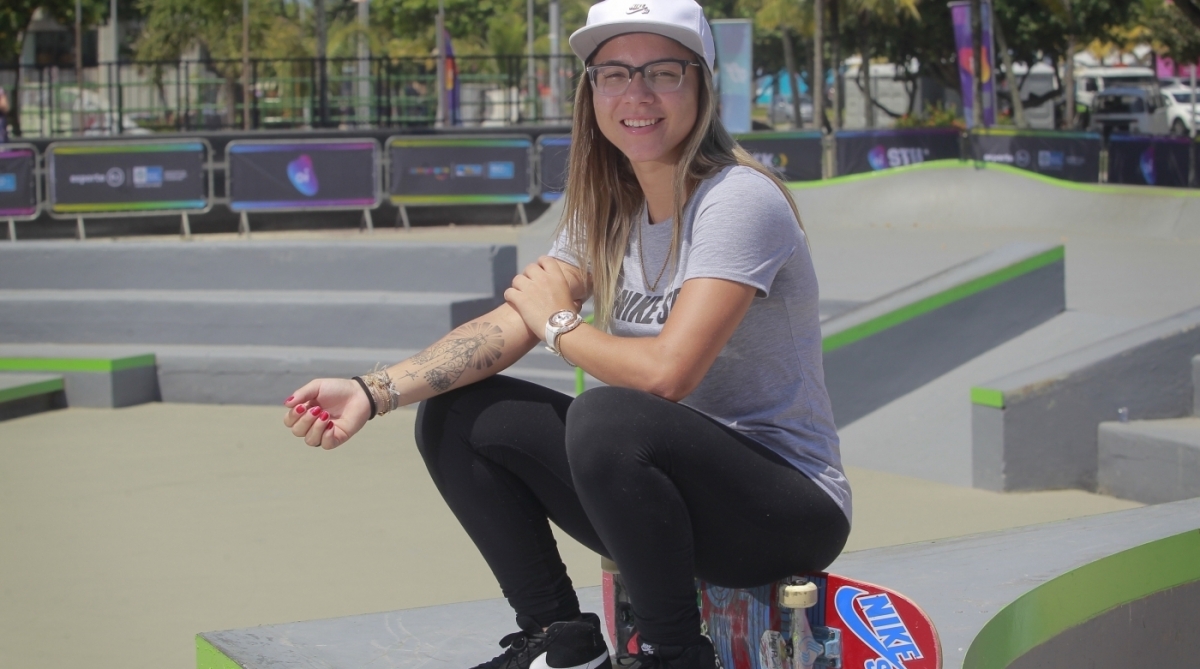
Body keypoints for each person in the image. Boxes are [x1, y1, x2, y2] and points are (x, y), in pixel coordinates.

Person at [282, 1, 851, 668]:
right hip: (660, 502)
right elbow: (507, 323)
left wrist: (560, 324)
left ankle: (672, 653)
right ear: (591, 92)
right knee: (462, 414)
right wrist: (373, 390)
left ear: (701, 83)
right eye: (613, 74)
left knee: (608, 415)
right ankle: (563, 639)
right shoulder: (610, 206)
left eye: (663, 72)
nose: (635, 94)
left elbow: (669, 373)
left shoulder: (736, 198)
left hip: (783, 508)